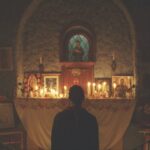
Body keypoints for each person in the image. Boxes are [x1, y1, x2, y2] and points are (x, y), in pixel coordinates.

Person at [51, 85, 99, 150]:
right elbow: (94, 145)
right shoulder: (91, 119)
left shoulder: (59, 118)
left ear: (69, 98)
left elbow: (55, 143)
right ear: (83, 98)